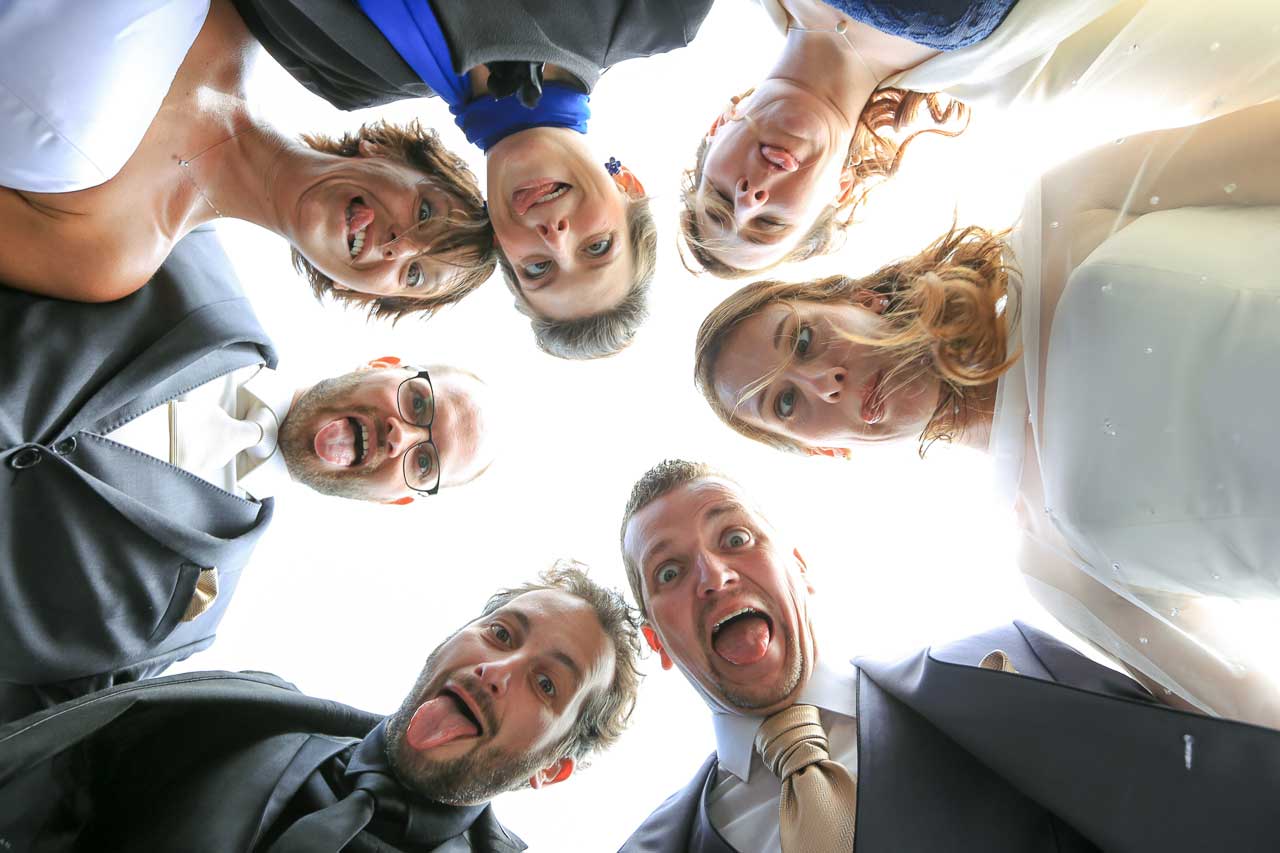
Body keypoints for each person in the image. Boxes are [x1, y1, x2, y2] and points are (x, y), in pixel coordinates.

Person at [692, 100, 1280, 728]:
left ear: (858, 299)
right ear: (824, 450)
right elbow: (1251, 716)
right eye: (786, 403)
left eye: (804, 340)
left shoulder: (1067, 205)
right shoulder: (1053, 564)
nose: (824, 383)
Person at [617, 460, 1280, 853]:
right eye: (669, 572)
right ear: (656, 641)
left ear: (799, 565)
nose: (713, 575)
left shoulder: (1009, 663)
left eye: (735, 537)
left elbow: (1209, 792)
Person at [0, 227, 496, 723]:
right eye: (418, 403)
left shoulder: (183, 628)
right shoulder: (186, 259)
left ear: (394, 499)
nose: (399, 436)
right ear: (383, 363)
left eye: (423, 462)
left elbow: (32, 728)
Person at [0, 562, 643, 853]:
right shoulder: (245, 711)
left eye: (546, 685)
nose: (496, 671)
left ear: (552, 767)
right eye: (500, 634)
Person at [232, 0, 715, 358]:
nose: (556, 238)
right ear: (627, 184)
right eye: (597, 247)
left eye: (538, 269)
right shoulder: (657, 12)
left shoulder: (343, 75)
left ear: (499, 242)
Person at [681, 0, 1280, 278]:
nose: (751, 199)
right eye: (769, 224)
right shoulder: (1022, 82)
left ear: (717, 127)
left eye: (721, 198)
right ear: (837, 192)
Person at [0, 0, 493, 321]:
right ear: (390, 153)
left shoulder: (111, 258)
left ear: (358, 292)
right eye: (425, 211)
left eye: (413, 275)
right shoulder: (239, 17)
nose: (400, 245)